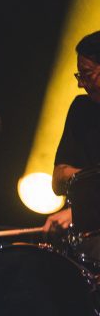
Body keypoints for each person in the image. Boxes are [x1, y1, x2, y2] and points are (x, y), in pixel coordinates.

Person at [44, 30, 100, 235]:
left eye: (87, 75)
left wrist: (81, 212)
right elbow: (58, 181)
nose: (81, 84)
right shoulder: (81, 109)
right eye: (80, 76)